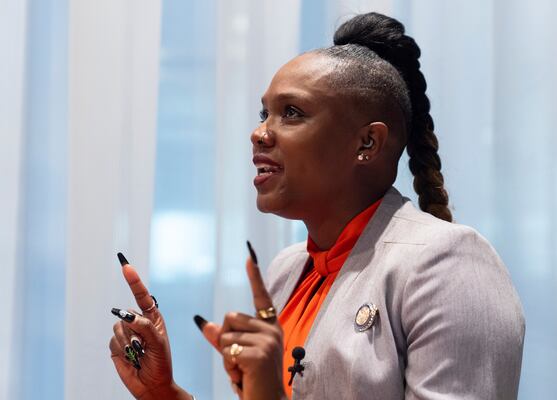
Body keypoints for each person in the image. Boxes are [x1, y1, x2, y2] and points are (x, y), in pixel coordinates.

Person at [109, 12, 525, 400]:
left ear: (367, 143)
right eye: (263, 113)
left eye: (291, 112)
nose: (258, 133)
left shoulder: (448, 265)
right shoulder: (287, 270)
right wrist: (165, 394)